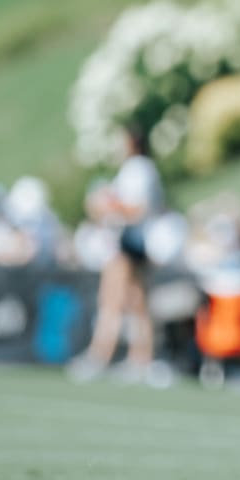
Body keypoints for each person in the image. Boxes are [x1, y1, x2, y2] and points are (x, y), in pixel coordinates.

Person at [68, 122, 169, 386]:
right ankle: (139, 358)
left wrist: (106, 205)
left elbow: (137, 208)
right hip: (131, 242)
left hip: (129, 243)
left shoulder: (139, 169)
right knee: (136, 303)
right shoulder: (137, 169)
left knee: (113, 300)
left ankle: (101, 356)